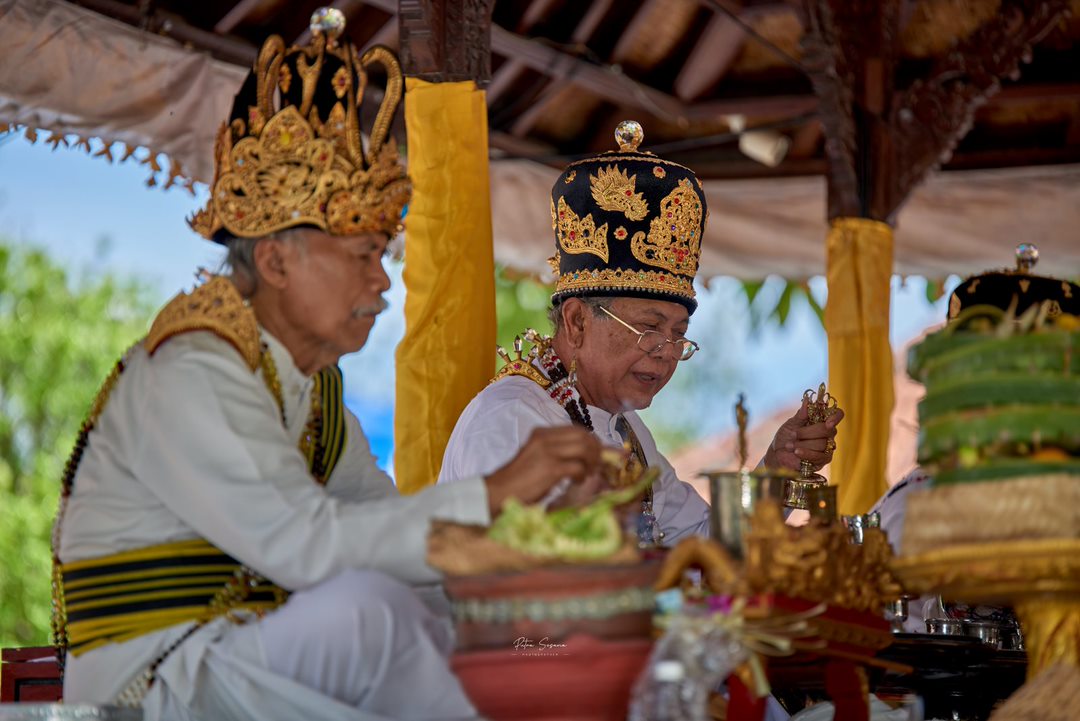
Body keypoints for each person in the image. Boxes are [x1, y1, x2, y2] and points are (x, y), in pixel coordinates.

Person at [53, 14, 603, 721]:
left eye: (382, 254)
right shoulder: (193, 370)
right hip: (151, 681)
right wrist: (494, 493)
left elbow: (384, 528)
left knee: (462, 623)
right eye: (359, 255)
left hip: (243, 656)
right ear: (277, 260)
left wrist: (525, 574)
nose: (381, 281)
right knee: (369, 614)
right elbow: (309, 547)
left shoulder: (307, 388)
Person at [438, 120, 842, 547]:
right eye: (649, 330)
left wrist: (777, 469)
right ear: (577, 322)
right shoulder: (513, 418)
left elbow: (704, 547)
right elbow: (526, 577)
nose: (667, 354)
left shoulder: (624, 428)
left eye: (678, 335)